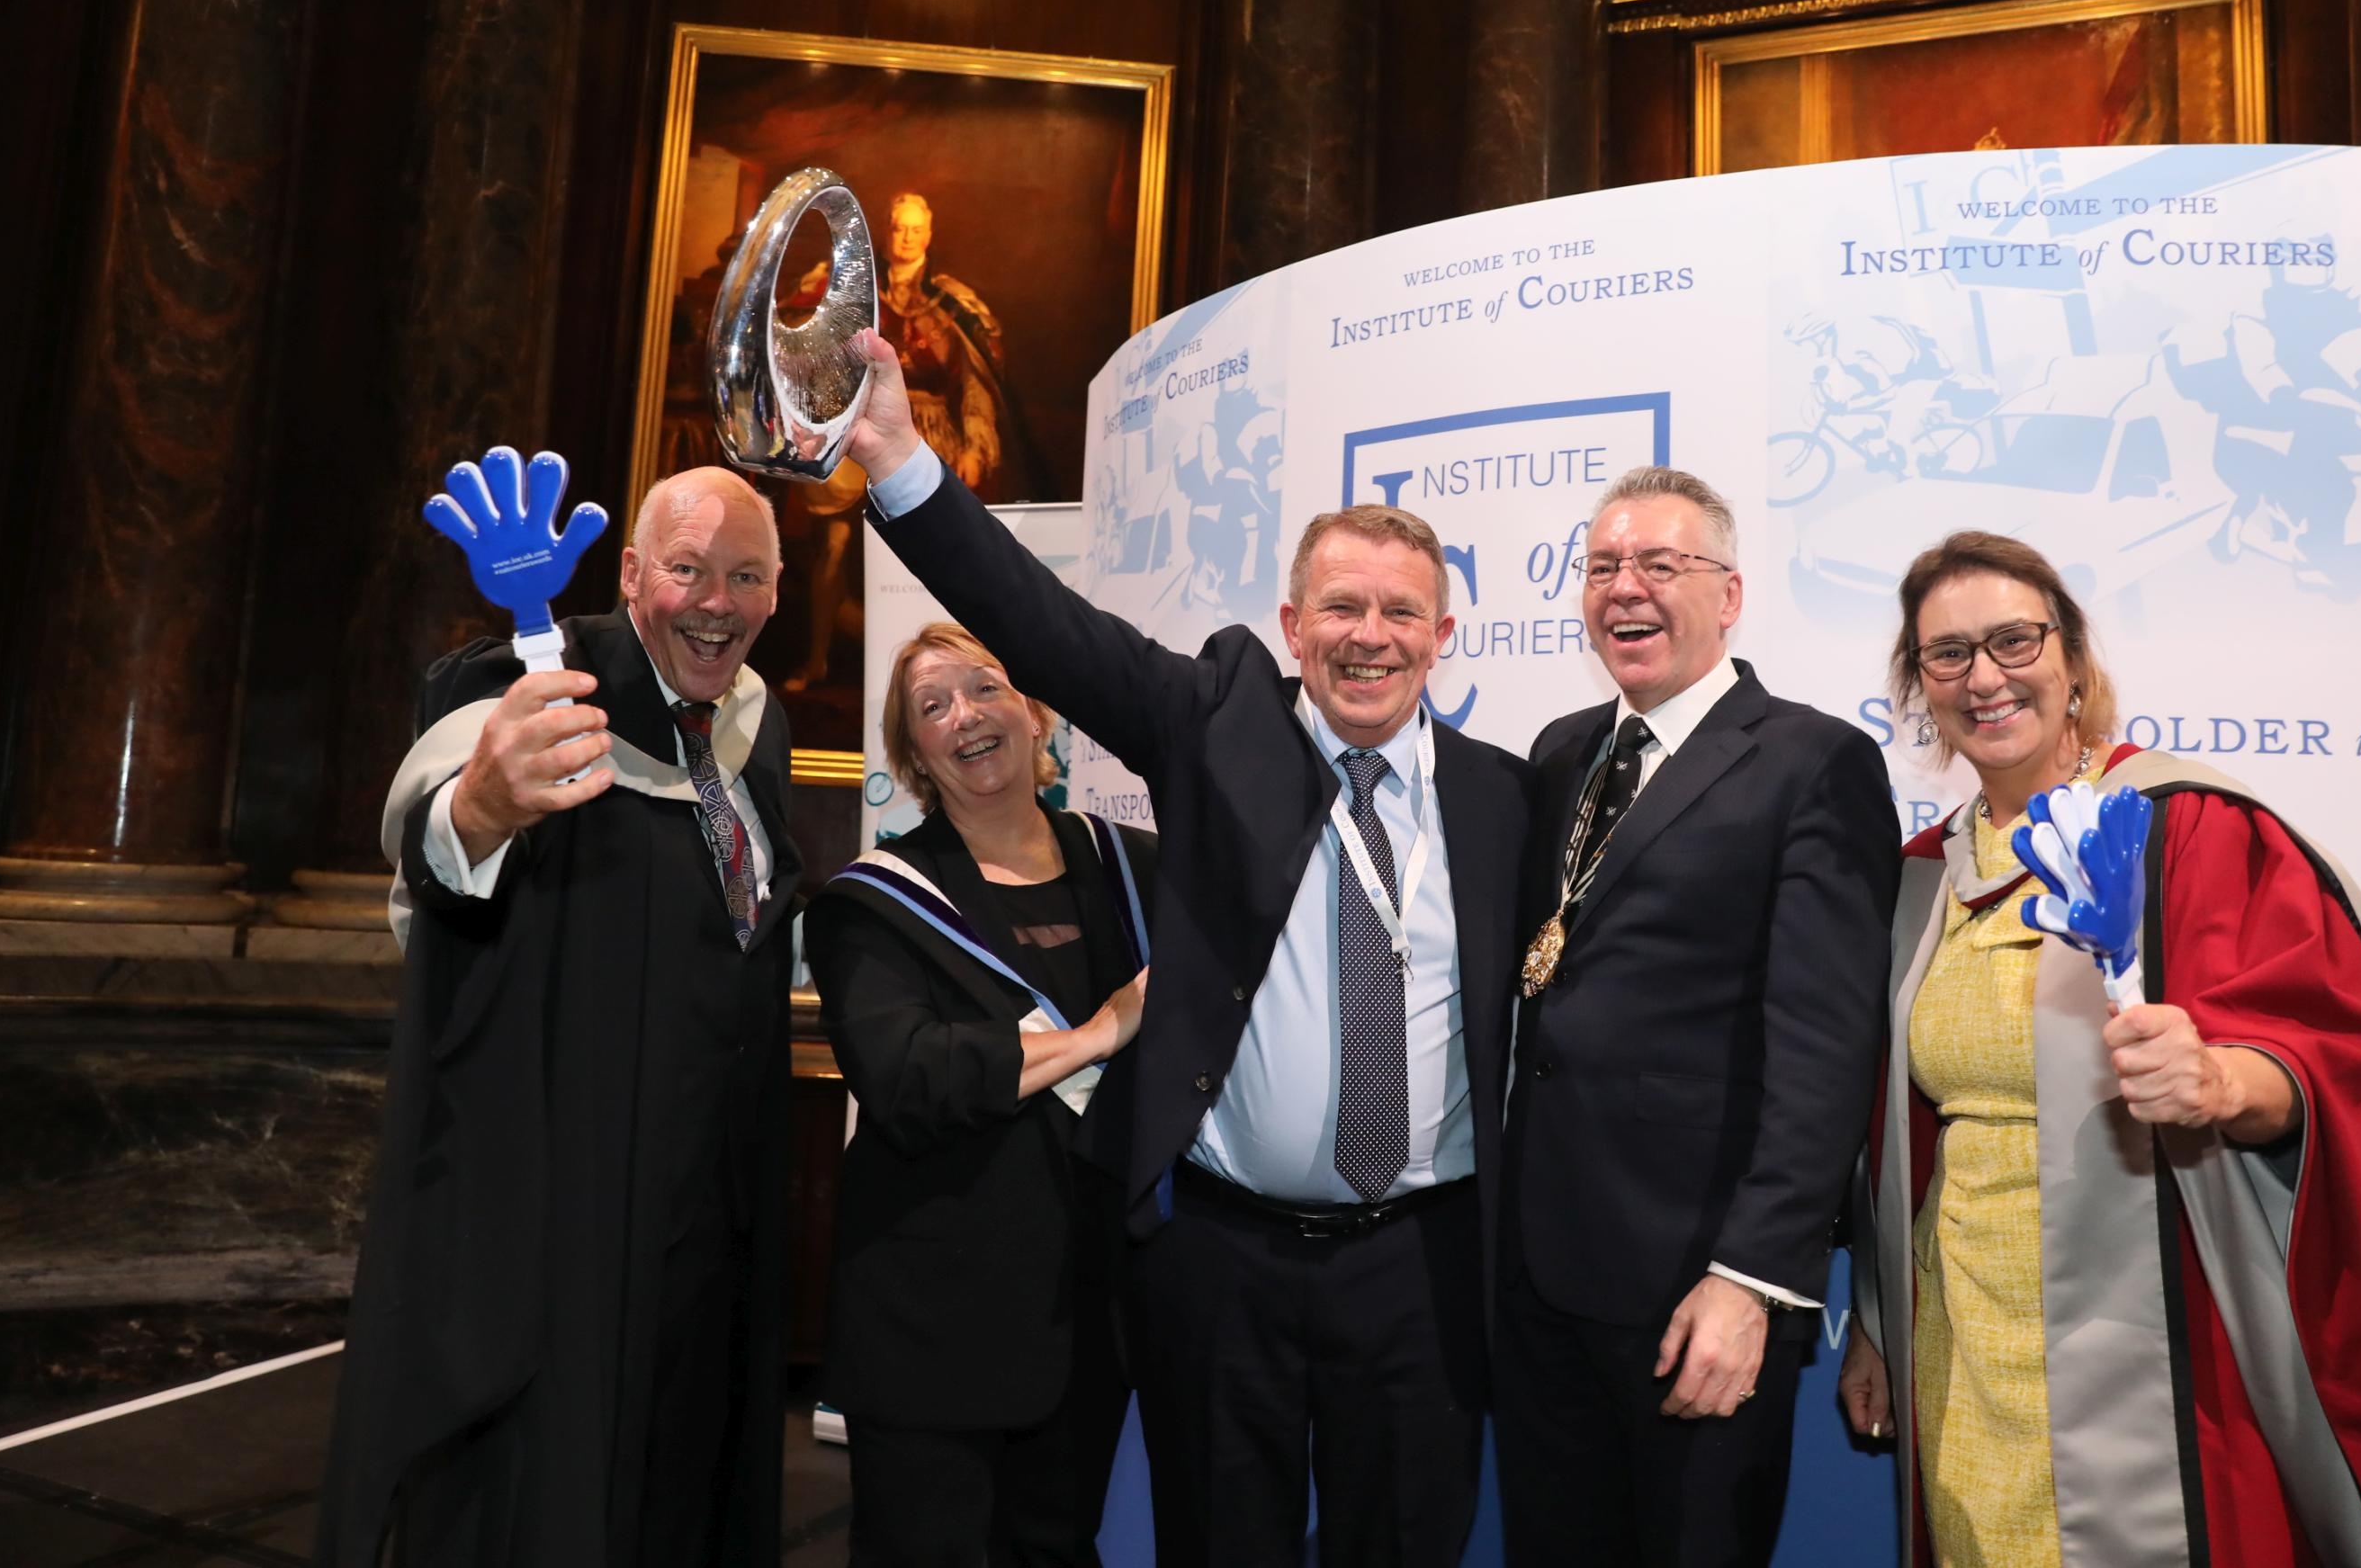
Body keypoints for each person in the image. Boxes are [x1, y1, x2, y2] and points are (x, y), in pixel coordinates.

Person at [836, 326, 1533, 1567]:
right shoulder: (1218, 726)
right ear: (1293, 625)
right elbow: (1037, 621)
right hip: (1225, 1264)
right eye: (1341, 607)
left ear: (1444, 635)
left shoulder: (1506, 796)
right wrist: (896, 455)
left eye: (1400, 611)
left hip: (1424, 1269)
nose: (1369, 635)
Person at [1836, 529, 2361, 1568]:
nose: (1984, 677)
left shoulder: (2189, 829)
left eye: (2013, 640)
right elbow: (1893, 1133)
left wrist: (2222, 1077)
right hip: (1964, 1345)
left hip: (2153, 1347)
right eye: (1947, 653)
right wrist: (1876, 1314)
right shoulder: (1922, 878)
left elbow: (2331, 1046)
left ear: (2072, 658)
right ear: (1920, 685)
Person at [317, 466, 801, 1568]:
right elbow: (442, 848)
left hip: (709, 1199)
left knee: (684, 1476)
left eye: (746, 576)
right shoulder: (525, 686)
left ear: (777, 593)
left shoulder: (758, 726)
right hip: (559, 1199)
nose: (716, 601)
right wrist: (483, 804)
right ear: (631, 573)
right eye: (687, 569)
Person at [1497, 465, 1899, 1568]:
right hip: (1540, 1279)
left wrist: (1752, 1278)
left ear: (1728, 595)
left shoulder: (1814, 760)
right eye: (1603, 566)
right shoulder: (1561, 751)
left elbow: (1826, 1048)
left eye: (1660, 564)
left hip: (1697, 1287)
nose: (1625, 587)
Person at [805, 623, 1157, 1566]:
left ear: (1036, 710)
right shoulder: (868, 905)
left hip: (1097, 1326)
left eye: (986, 686)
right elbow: (909, 1078)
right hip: (934, 1334)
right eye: (933, 706)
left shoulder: (1141, 867)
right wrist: (1099, 1032)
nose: (965, 715)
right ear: (914, 755)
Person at [878, 191, 1045, 499]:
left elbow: (976, 384)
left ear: (928, 236)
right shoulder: (863, 294)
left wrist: (975, 449)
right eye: (900, 229)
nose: (908, 238)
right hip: (873, 434)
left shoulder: (954, 303)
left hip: (934, 437)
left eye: (916, 230)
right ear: (888, 233)